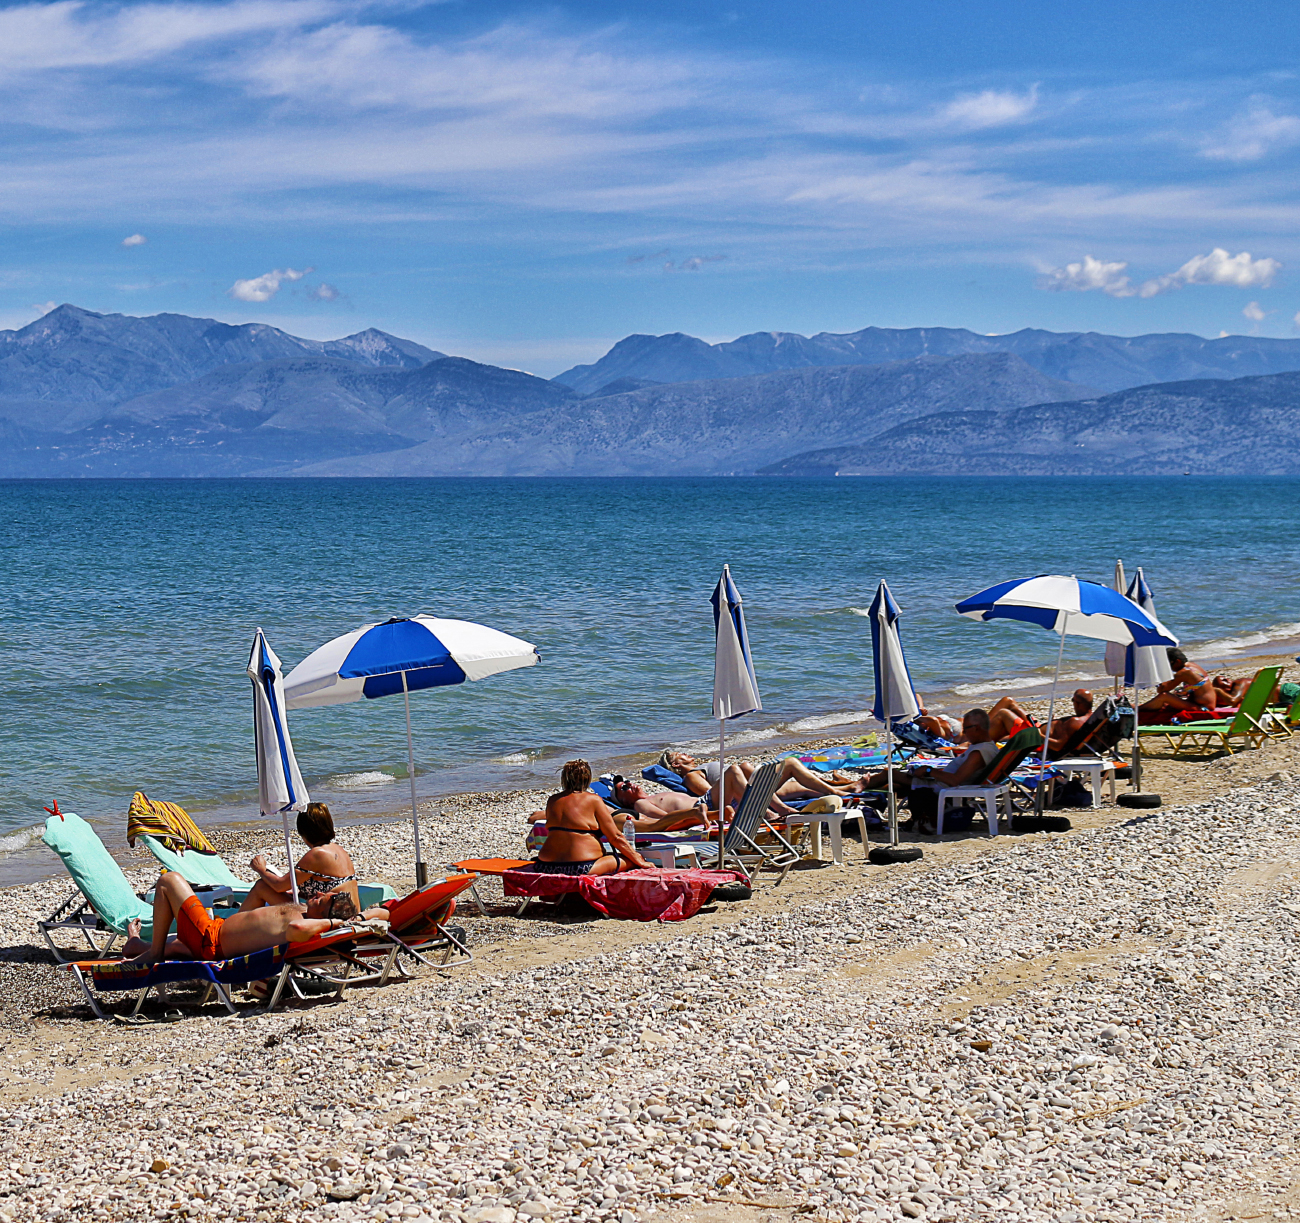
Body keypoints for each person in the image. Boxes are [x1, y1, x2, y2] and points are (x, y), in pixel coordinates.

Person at [121, 870, 374, 967]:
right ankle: (138, 945)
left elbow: (297, 926)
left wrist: (338, 923)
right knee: (176, 946)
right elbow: (382, 912)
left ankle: (153, 953)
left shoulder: (305, 925)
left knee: (168, 880)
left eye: (324, 899)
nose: (318, 893)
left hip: (211, 939)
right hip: (214, 935)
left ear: (326, 916)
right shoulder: (305, 912)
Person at [657, 749, 868, 815]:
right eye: (679, 755)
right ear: (676, 765)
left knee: (792, 763)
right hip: (743, 796)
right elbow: (719, 797)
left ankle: (840, 790)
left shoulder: (699, 769)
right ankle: (842, 790)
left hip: (750, 788)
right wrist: (741, 775)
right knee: (742, 767)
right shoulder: (692, 776)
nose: (685, 753)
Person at [532, 759, 649, 876]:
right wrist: (638, 859)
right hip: (582, 866)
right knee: (629, 861)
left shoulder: (553, 800)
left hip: (546, 865)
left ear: (564, 778)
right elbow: (615, 837)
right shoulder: (594, 800)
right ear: (588, 779)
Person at [240, 802, 359, 913]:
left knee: (262, 886)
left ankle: (232, 926)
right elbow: (329, 886)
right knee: (285, 891)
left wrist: (260, 869)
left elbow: (279, 885)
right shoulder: (338, 849)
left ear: (304, 831)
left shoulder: (317, 854)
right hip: (347, 912)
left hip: (330, 915)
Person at [609, 777, 726, 834]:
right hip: (703, 807)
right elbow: (668, 820)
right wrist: (697, 814)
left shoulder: (652, 797)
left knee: (738, 771)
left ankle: (737, 815)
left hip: (706, 803)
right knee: (733, 772)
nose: (629, 783)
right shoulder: (640, 804)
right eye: (624, 788)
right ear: (626, 802)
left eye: (627, 781)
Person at [1140, 649, 1221, 717]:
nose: (1170, 669)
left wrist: (1161, 673)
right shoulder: (1192, 666)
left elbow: (1161, 689)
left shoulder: (1184, 672)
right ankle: (1140, 708)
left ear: (1177, 661)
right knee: (1165, 702)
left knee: (1164, 696)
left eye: (1169, 665)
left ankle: (1138, 710)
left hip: (1203, 708)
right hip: (1201, 705)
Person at [1044, 689, 1094, 757]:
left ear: (1077, 703)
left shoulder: (1076, 721)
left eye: (1073, 700)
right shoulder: (1092, 718)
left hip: (1038, 741)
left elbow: (1058, 746)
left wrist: (1038, 736)